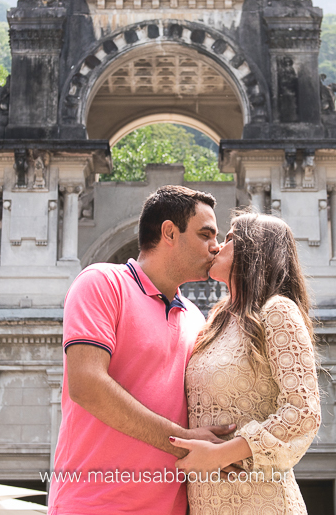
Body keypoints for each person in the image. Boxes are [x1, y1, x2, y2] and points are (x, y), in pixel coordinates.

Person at [49, 185, 236, 515]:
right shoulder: (103, 283)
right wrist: (183, 442)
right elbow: (86, 384)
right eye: (205, 234)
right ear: (169, 232)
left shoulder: (195, 318)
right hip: (92, 506)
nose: (215, 246)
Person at [171, 212, 322, 514]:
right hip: (208, 502)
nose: (216, 246)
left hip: (262, 500)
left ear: (254, 249)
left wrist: (222, 454)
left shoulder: (277, 310)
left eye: (228, 239)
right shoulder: (217, 320)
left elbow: (303, 411)